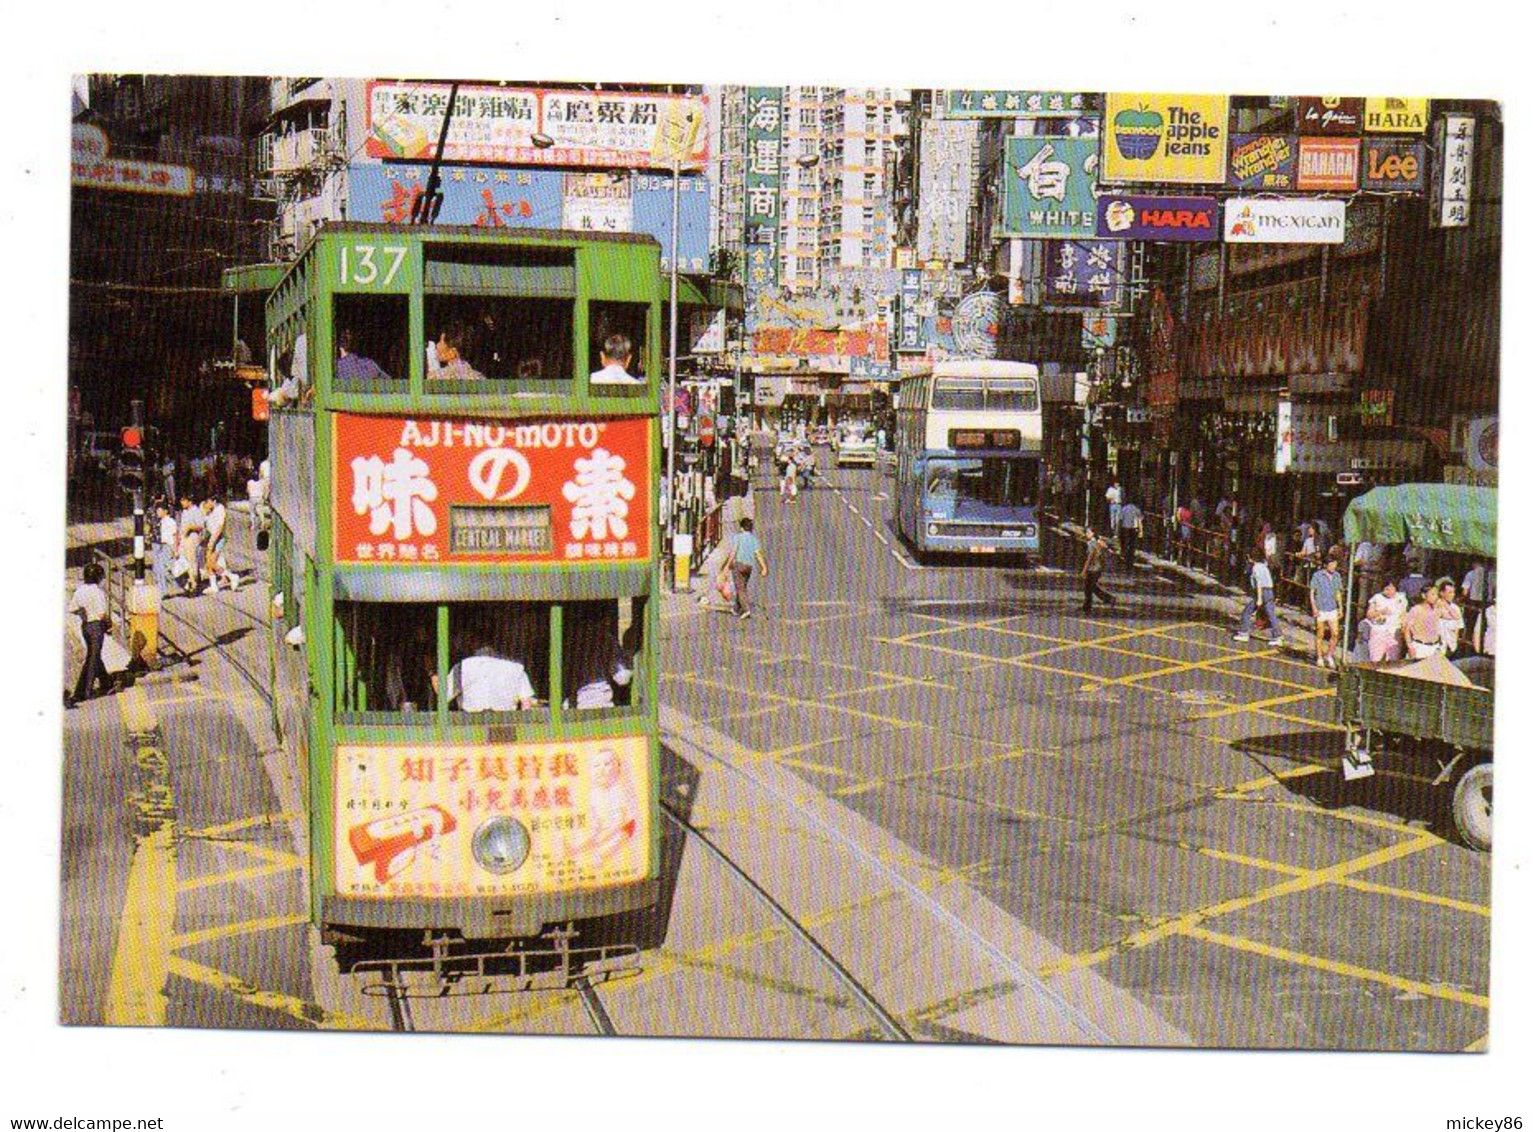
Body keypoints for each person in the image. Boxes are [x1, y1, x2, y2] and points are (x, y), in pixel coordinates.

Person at [563, 604, 635, 709]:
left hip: (568, 705)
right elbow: (622, 678)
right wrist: (629, 658)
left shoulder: (568, 638)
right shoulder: (605, 639)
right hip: (597, 702)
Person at [438, 641, 536, 712]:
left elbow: (444, 697)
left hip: (471, 724)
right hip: (506, 723)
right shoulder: (516, 668)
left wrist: (432, 672)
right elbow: (526, 704)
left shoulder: (462, 666)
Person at [67, 562, 113, 707]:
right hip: (96, 627)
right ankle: (85, 690)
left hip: (85, 626)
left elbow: (72, 608)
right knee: (93, 657)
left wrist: (83, 613)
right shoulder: (97, 592)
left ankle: (106, 682)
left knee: (94, 654)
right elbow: (101, 613)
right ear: (99, 577)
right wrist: (108, 623)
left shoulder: (80, 591)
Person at [720, 518, 768, 620]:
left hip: (739, 565)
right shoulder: (754, 539)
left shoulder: (738, 537)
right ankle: (736, 608)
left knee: (740, 588)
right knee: (742, 587)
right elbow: (758, 554)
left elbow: (733, 552)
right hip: (748, 566)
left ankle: (746, 610)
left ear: (741, 528)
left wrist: (728, 565)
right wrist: (764, 567)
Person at [1234, 548, 1280, 644]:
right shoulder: (1264, 566)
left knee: (1246, 612)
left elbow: (1259, 583)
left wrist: (1259, 599)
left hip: (1262, 592)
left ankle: (1244, 633)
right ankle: (1278, 636)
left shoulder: (1256, 568)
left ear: (1251, 557)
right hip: (1269, 591)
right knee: (1271, 615)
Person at [1309, 554, 1343, 669]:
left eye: (1335, 564)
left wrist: (1340, 607)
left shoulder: (1337, 576)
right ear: (1326, 565)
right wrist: (1314, 607)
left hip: (1332, 608)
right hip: (1321, 608)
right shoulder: (1317, 576)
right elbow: (1312, 593)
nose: (1333, 566)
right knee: (1320, 633)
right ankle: (1319, 657)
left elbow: (1338, 592)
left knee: (1335, 633)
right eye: (1331, 564)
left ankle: (1329, 655)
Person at [1401, 584, 1443, 659]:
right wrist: (1410, 647)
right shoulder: (1416, 609)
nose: (1435, 597)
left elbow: (1456, 616)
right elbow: (1406, 630)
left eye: (1437, 594)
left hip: (1435, 646)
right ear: (1424, 596)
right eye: (1433, 594)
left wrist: (1445, 604)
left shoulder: (1437, 609)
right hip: (1420, 647)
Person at [1080, 529, 1116, 613]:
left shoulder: (1092, 544)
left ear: (1093, 533)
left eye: (1088, 532)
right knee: (1092, 587)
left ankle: (1087, 608)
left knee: (1088, 589)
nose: (1086, 534)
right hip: (1098, 569)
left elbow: (1089, 558)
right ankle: (1109, 599)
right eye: (1086, 532)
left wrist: (1084, 571)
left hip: (1092, 569)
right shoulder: (1098, 542)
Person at [176, 494, 206, 594]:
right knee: (184, 560)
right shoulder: (184, 511)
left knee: (192, 560)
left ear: (190, 501)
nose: (182, 503)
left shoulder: (196, 511)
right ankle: (189, 581)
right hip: (184, 538)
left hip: (192, 537)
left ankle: (195, 584)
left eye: (184, 500)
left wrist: (190, 527)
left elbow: (200, 526)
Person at [1436, 578, 1466, 656]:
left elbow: (1458, 627)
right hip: (1437, 646)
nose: (1453, 595)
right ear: (1442, 593)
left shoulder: (1455, 608)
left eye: (1453, 592)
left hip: (1451, 646)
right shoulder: (1435, 607)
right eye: (1450, 592)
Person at [152, 502, 176, 596]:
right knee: (158, 568)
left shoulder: (171, 521)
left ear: (165, 511)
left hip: (168, 546)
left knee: (164, 568)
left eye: (159, 510)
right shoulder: (160, 522)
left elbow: (174, 536)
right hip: (161, 545)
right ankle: (161, 589)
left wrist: (175, 549)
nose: (158, 512)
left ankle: (165, 590)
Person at [1117, 499, 1143, 569]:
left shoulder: (1124, 509)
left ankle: (1124, 557)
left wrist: (1118, 531)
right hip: (1133, 529)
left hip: (1125, 528)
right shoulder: (1137, 510)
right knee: (1132, 545)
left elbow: (1120, 520)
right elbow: (1139, 521)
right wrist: (1141, 531)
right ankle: (1130, 560)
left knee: (1125, 544)